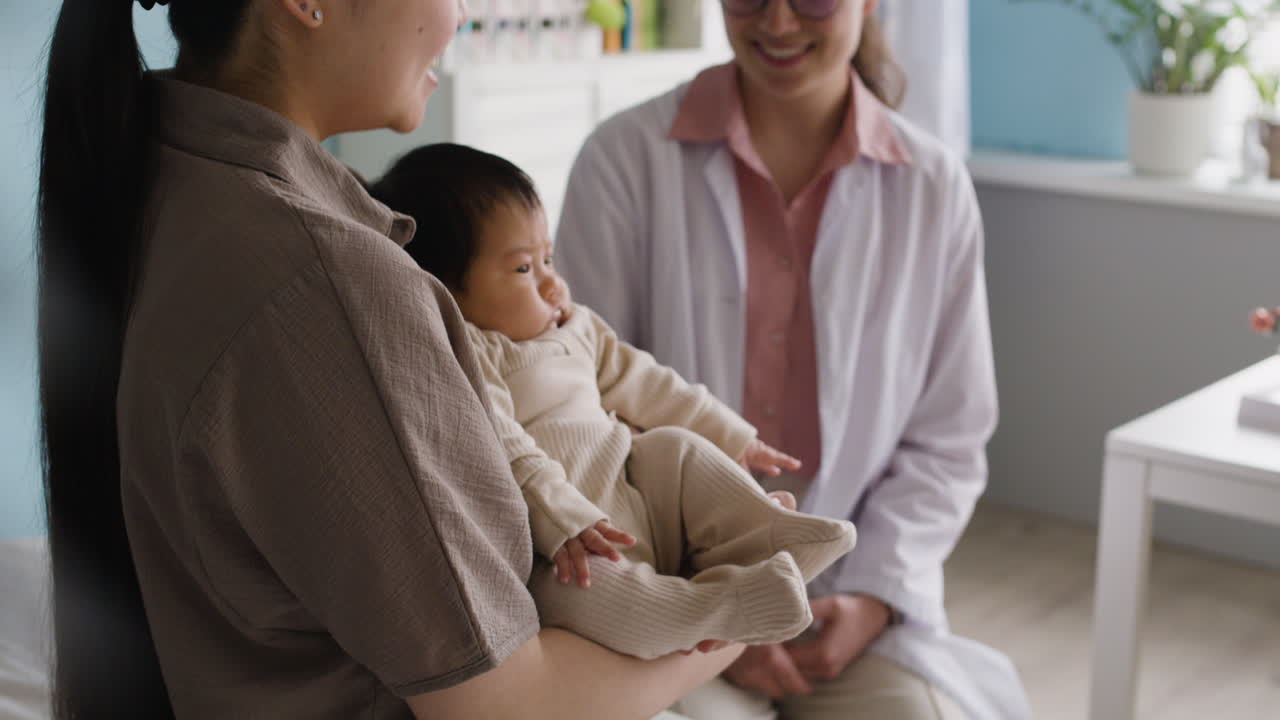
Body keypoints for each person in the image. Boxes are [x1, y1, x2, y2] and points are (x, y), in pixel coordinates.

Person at [35, 1, 749, 718]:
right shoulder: (326, 286)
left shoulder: (172, 181)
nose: (460, 14)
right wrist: (742, 614)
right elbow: (504, 707)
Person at [555, 0, 1034, 718]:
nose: (777, 23)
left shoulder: (932, 186)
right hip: (668, 596)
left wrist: (876, 595)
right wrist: (716, 610)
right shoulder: (624, 159)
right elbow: (581, 414)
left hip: (850, 605)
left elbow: (948, 440)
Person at [369, 143, 858, 660]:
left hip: (636, 488)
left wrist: (732, 434)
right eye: (522, 270)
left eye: (548, 258)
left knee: (674, 448)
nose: (553, 282)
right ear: (447, 291)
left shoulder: (578, 328)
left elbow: (647, 382)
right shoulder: (472, 355)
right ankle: (718, 604)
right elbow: (507, 450)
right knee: (587, 595)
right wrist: (561, 519)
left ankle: (769, 532)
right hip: (575, 543)